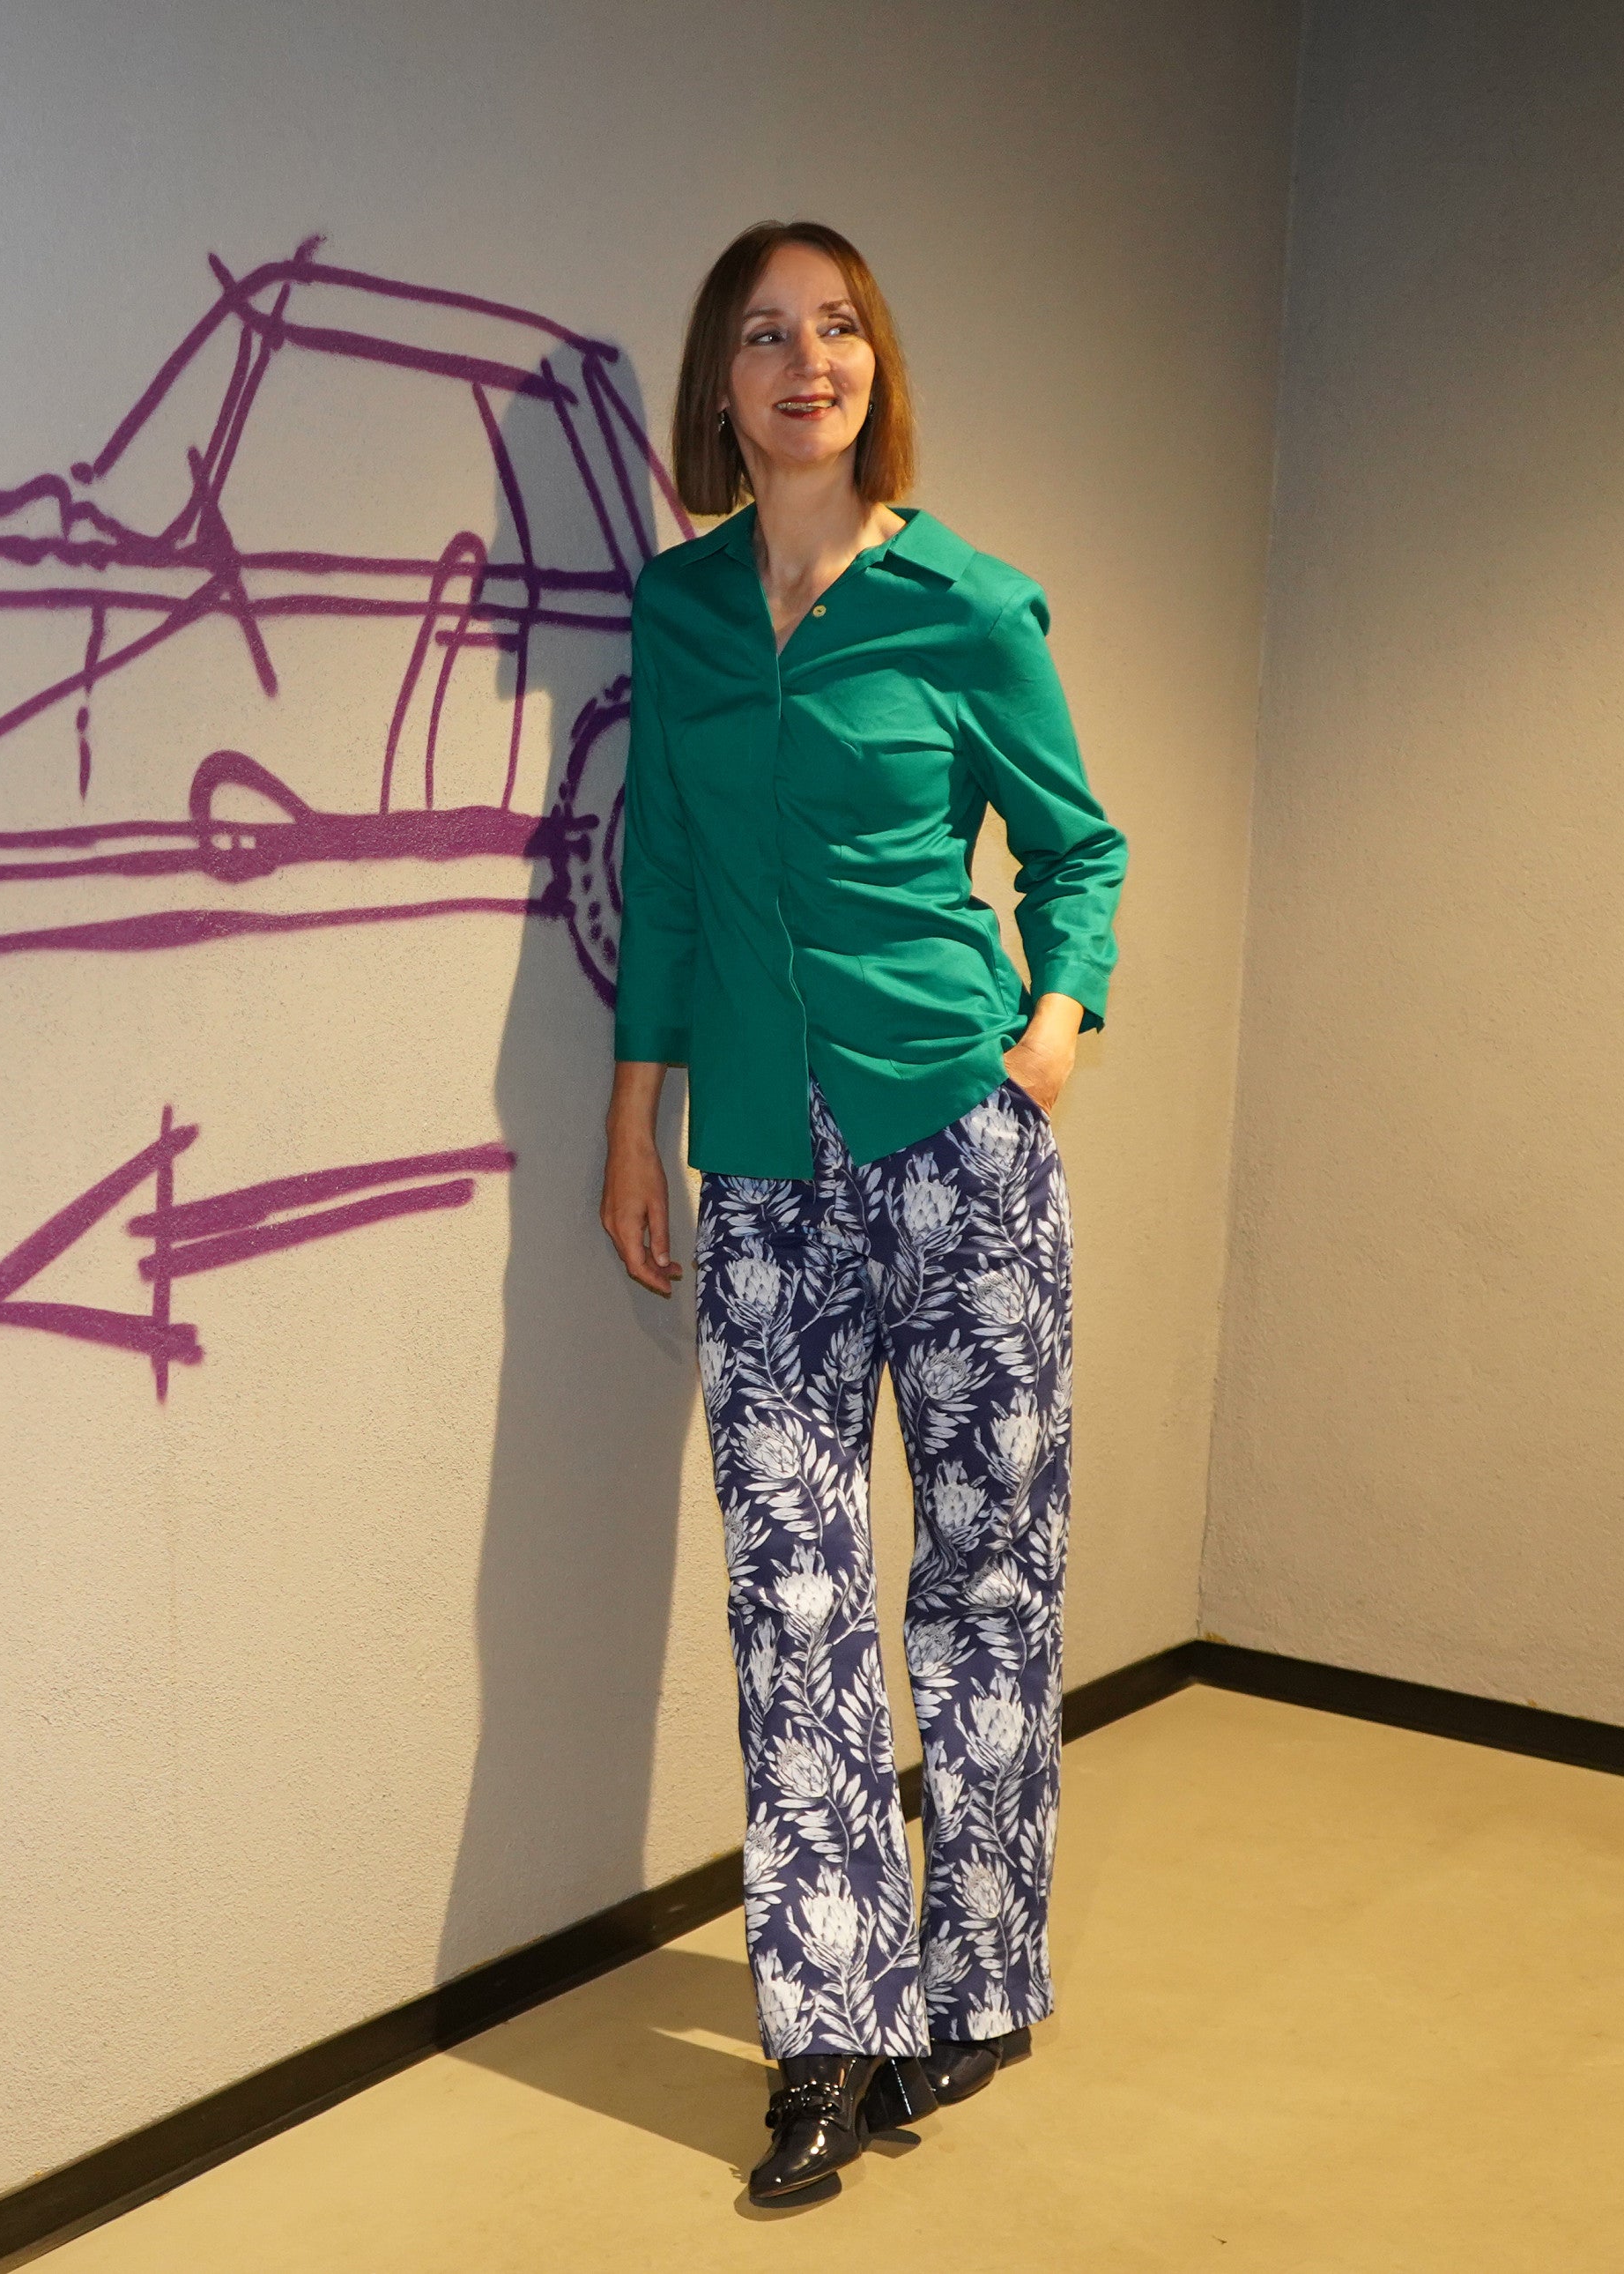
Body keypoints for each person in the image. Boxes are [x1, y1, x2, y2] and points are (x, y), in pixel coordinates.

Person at [597, 220, 1127, 2207]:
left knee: (982, 1572)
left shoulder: (966, 605)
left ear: (872, 368)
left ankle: (978, 1971)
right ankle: (825, 2031)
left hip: (955, 1144)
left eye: (835, 329)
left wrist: (1048, 1034)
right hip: (758, 1168)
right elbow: (663, 880)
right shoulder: (679, 613)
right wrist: (635, 1121)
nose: (804, 360)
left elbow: (1078, 847)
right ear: (720, 386)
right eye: (763, 334)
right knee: (791, 1594)